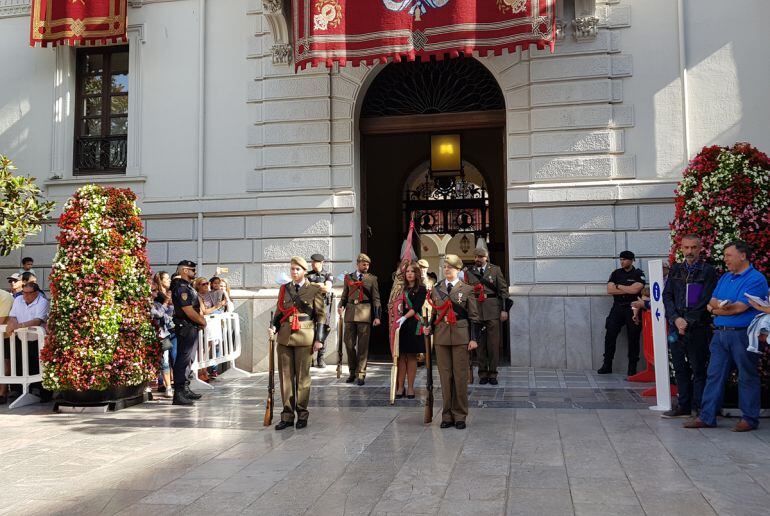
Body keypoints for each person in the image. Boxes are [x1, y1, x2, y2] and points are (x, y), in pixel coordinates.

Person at [685, 241, 769, 432]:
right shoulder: (725, 277)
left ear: (743, 256)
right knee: (714, 375)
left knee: (747, 376)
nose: (725, 259)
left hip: (744, 335)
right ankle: (707, 416)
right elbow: (713, 300)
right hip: (720, 335)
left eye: (729, 255)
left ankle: (749, 419)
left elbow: (737, 308)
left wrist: (717, 311)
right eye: (725, 256)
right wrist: (718, 308)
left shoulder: (756, 279)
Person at [660, 235, 718, 418]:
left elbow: (705, 300)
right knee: (679, 367)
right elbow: (667, 296)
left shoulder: (708, 271)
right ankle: (683, 405)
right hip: (676, 327)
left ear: (700, 249)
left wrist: (688, 321)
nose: (689, 251)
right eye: (686, 248)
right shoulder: (676, 269)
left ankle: (698, 406)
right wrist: (676, 319)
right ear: (681, 248)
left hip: (697, 327)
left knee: (698, 367)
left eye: (693, 247)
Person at [269, 256, 327, 430]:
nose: (294, 272)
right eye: (292, 269)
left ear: (304, 271)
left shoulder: (314, 289)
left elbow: (321, 316)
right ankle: (287, 416)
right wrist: (273, 327)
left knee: (302, 379)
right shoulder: (284, 289)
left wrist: (319, 339)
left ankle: (302, 414)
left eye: (297, 269)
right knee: (286, 378)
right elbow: (280, 311)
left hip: (305, 336)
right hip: (285, 337)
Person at [425, 254, 480, 429]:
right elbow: (434, 314)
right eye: (445, 266)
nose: (446, 269)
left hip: (461, 337)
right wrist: (428, 327)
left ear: (457, 270)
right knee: (445, 377)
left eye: (450, 267)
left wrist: (473, 338)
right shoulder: (436, 289)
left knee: (460, 376)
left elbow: (474, 317)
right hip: (441, 336)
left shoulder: (467, 289)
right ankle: (446, 414)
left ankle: (460, 415)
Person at [464, 247, 510, 385]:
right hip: (476, 310)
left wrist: (504, 309)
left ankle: (493, 373)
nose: (477, 259)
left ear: (486, 257)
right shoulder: (469, 272)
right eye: (476, 257)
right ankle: (483, 373)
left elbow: (503, 290)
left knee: (493, 344)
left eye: (480, 256)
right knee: (480, 344)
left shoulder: (495, 270)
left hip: (493, 310)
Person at [599, 250, 646, 376]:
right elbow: (609, 290)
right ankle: (607, 364)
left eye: (624, 259)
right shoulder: (616, 273)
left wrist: (619, 286)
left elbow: (636, 289)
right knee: (610, 335)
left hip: (633, 308)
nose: (622, 261)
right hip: (618, 307)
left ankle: (632, 367)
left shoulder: (638, 273)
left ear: (631, 260)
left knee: (633, 337)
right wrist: (627, 289)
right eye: (620, 259)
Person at [338, 253, 381, 385]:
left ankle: (361, 373)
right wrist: (341, 306)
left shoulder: (372, 279)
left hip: (365, 313)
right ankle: (352, 371)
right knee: (349, 344)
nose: (366, 266)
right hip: (350, 313)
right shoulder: (348, 278)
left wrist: (377, 316)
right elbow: (345, 295)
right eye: (364, 264)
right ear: (357, 264)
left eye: (368, 264)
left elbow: (376, 298)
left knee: (363, 346)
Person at [3, 283, 49, 401]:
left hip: (36, 339)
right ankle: (17, 390)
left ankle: (39, 391)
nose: (26, 296)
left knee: (37, 365)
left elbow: (37, 320)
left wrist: (20, 325)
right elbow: (13, 316)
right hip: (20, 338)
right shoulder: (18, 299)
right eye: (24, 292)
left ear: (36, 293)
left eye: (29, 293)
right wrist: (12, 323)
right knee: (19, 363)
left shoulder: (42, 302)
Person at [171, 260, 207, 406]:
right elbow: (188, 310)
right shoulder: (181, 288)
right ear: (184, 271)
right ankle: (178, 393)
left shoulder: (187, 287)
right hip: (186, 327)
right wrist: (202, 321)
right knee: (183, 359)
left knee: (188, 359)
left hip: (191, 327)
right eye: (192, 269)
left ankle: (184, 388)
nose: (195, 272)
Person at [394, 262, 427, 399]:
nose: (409, 274)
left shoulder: (422, 289)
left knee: (412, 356)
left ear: (416, 274)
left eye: (412, 271)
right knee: (401, 356)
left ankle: (411, 388)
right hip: (400, 325)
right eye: (407, 271)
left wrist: (404, 318)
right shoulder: (400, 289)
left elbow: (417, 307)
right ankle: (401, 387)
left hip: (413, 323)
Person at [307, 253, 333, 368]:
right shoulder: (308, 275)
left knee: (323, 331)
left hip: (324, 306)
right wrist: (319, 285)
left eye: (315, 262)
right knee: (310, 330)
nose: (312, 264)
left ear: (321, 262)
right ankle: (310, 358)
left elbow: (327, 288)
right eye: (312, 262)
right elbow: (306, 288)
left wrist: (313, 285)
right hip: (311, 306)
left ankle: (321, 358)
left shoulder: (327, 274)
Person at [0, 285, 13, 403]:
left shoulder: (4, 296)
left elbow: (1, 320)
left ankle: (2, 393)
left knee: (5, 363)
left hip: (6, 337)